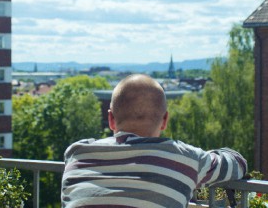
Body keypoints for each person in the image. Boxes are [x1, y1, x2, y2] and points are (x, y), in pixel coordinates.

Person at [61, 74, 247, 207]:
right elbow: (237, 164)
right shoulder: (184, 158)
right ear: (165, 120)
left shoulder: (77, 154)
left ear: (110, 119)